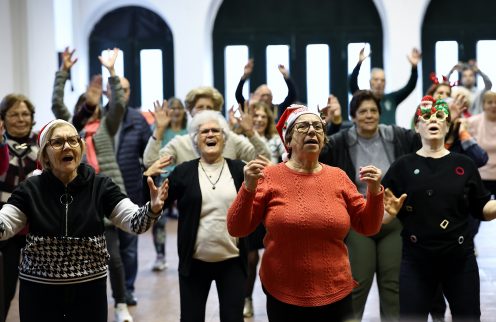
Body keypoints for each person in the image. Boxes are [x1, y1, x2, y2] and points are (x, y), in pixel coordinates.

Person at [227, 104, 385, 322]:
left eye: (318, 127)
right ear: (288, 140)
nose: (312, 131)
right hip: (282, 291)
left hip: (336, 292)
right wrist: (248, 188)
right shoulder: (269, 176)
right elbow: (237, 227)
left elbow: (369, 226)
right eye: (303, 127)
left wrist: (375, 192)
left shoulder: (338, 177)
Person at [0, 119, 167, 322]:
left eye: (73, 140)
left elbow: (134, 222)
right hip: (39, 291)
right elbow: (5, 224)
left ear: (81, 147)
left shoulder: (101, 185)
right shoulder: (31, 189)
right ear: (44, 154)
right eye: (58, 142)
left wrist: (152, 208)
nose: (67, 146)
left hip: (89, 290)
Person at [382, 98, 496, 321]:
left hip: (459, 259)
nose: (432, 119)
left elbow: (482, 207)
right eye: (425, 117)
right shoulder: (402, 166)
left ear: (448, 125)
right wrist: (390, 213)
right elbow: (384, 216)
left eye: (439, 116)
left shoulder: (464, 164)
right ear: (417, 126)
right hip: (416, 260)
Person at [320, 90, 420, 321]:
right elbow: (316, 153)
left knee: (392, 284)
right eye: (363, 111)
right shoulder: (341, 141)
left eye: (373, 111)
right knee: (357, 283)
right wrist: (322, 124)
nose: (369, 115)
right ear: (353, 116)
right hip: (359, 221)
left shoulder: (395, 135)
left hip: (392, 221)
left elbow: (423, 137)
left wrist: (449, 117)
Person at [51, 47, 134, 321]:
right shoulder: (71, 132)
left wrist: (111, 72)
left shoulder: (107, 126)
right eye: (88, 104)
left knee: (115, 255)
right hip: (79, 194)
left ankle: (121, 303)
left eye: (96, 103)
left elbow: (119, 104)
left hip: (105, 194)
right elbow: (56, 103)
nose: (93, 107)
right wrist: (64, 72)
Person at [145, 110, 248, 321]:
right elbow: (158, 201)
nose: (210, 135)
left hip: (233, 262)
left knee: (233, 318)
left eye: (215, 131)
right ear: (195, 140)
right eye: (204, 132)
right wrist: (148, 176)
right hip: (194, 263)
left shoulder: (239, 170)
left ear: (224, 137)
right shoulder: (183, 172)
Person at [143, 86, 271, 168]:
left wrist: (250, 132)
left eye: (209, 108)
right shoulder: (180, 143)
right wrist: (159, 130)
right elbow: (151, 163)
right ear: (190, 111)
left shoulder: (230, 139)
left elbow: (264, 158)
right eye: (199, 107)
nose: (204, 112)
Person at [0, 94, 39, 321]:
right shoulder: (1, 144)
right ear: (4, 117)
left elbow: (74, 123)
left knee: (36, 292)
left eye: (25, 114)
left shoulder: (42, 143)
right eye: (14, 114)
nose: (21, 119)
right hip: (6, 230)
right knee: (4, 290)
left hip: (36, 228)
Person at [148, 97, 188, 272]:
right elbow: (150, 153)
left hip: (185, 177)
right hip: (163, 177)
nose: (176, 111)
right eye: (173, 108)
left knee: (188, 217)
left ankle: (188, 254)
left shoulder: (189, 130)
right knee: (159, 219)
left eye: (180, 108)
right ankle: (160, 256)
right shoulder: (160, 129)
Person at [349, 47, 421, 125]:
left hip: (391, 136)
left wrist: (414, 68)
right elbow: (353, 85)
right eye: (376, 79)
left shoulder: (392, 98)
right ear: (370, 82)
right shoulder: (363, 99)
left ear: (385, 83)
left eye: (382, 80)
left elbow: (410, 87)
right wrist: (359, 64)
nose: (379, 83)